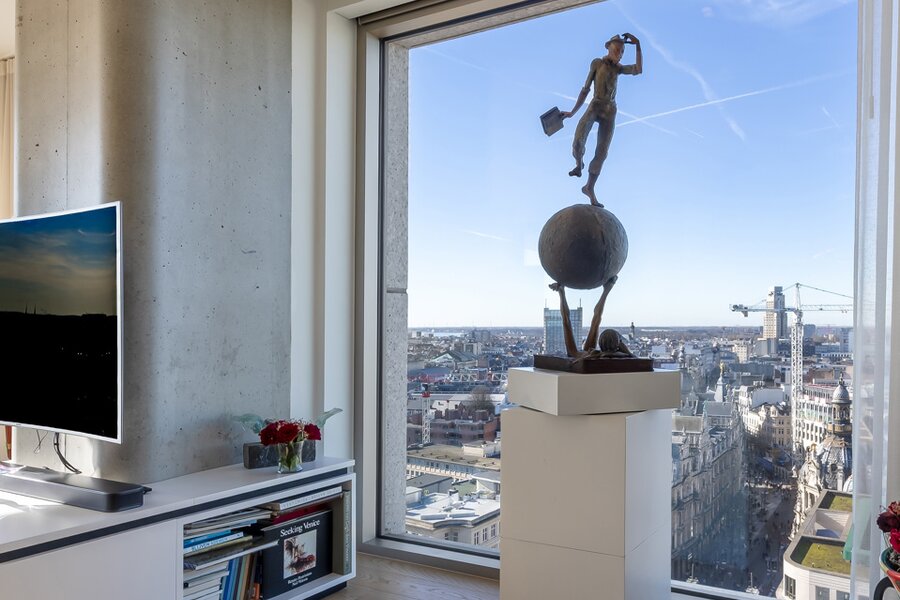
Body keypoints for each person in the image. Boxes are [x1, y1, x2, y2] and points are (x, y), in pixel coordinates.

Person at [561, 33, 642, 207]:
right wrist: (573, 112)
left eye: (622, 52)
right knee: (578, 142)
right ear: (609, 48)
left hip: (610, 112)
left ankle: (589, 187)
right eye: (617, 50)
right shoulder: (597, 63)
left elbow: (637, 69)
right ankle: (579, 165)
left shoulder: (618, 69)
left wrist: (638, 45)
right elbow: (585, 89)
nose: (620, 54)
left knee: (602, 153)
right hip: (595, 106)